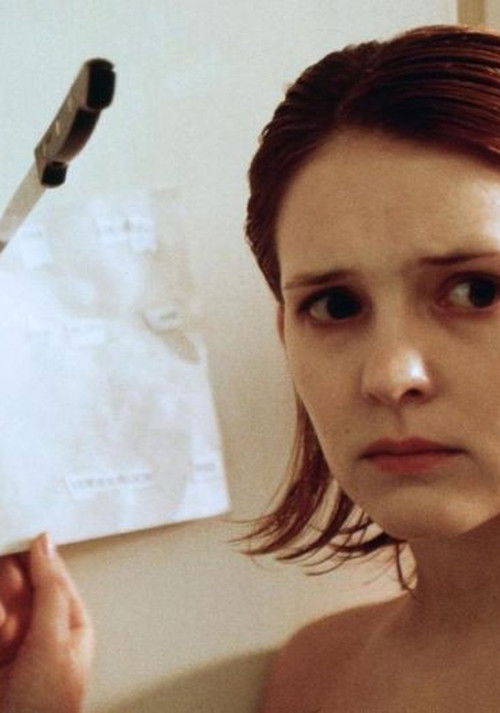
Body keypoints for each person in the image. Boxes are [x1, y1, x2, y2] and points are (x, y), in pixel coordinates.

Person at [2, 20, 500, 712]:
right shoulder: (315, 673)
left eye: (477, 291)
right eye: (335, 304)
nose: (390, 376)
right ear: (285, 330)